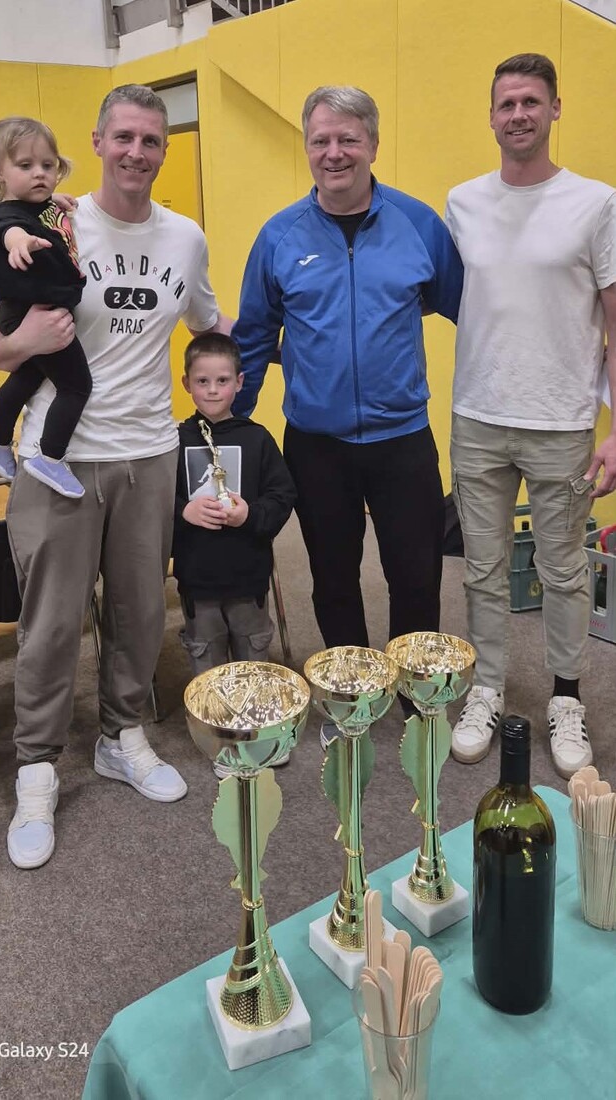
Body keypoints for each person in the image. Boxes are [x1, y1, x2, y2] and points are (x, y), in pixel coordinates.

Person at [0, 84, 230, 869]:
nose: (135, 152)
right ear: (95, 143)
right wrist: (27, 342)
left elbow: (208, 324)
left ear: (163, 149)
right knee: (51, 624)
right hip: (58, 457)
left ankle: (122, 736)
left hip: (148, 453)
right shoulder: (50, 219)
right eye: (122, 136)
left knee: (138, 612)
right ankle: (36, 766)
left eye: (150, 140)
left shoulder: (185, 238)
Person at [231, 85, 464, 742]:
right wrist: (235, 430)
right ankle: (351, 696)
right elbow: (253, 336)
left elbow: (465, 309)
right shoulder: (279, 236)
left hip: (402, 439)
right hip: (316, 443)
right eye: (321, 140)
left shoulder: (417, 224)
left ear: (372, 145)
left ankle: (416, 691)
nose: (334, 153)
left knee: (416, 574)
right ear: (307, 148)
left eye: (348, 139)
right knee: (332, 578)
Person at [445, 53, 616, 778]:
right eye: (506, 103)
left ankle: (566, 698)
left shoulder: (595, 203)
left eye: (530, 101)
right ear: (490, 116)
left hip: (562, 421)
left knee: (563, 571)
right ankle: (486, 688)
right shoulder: (461, 203)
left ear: (554, 109)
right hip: (478, 416)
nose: (517, 114)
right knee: (482, 571)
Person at [173, 333, 296, 771]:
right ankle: (223, 742)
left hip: (248, 577)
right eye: (202, 381)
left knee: (252, 655)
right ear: (186, 383)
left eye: (222, 380)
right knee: (207, 658)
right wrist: (183, 510)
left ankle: (259, 732)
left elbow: (283, 495)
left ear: (240, 382)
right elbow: (151, 504)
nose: (212, 390)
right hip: (198, 580)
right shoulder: (173, 440)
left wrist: (250, 515)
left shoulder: (258, 439)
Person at [0, 116, 90, 499]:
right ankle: (50, 457)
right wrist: (19, 241)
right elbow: (8, 227)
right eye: (25, 165)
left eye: (47, 165)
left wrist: (53, 201)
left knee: (27, 378)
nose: (39, 173)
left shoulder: (34, 207)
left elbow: (31, 213)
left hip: (25, 310)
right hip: (33, 314)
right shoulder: (4, 217)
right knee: (76, 386)